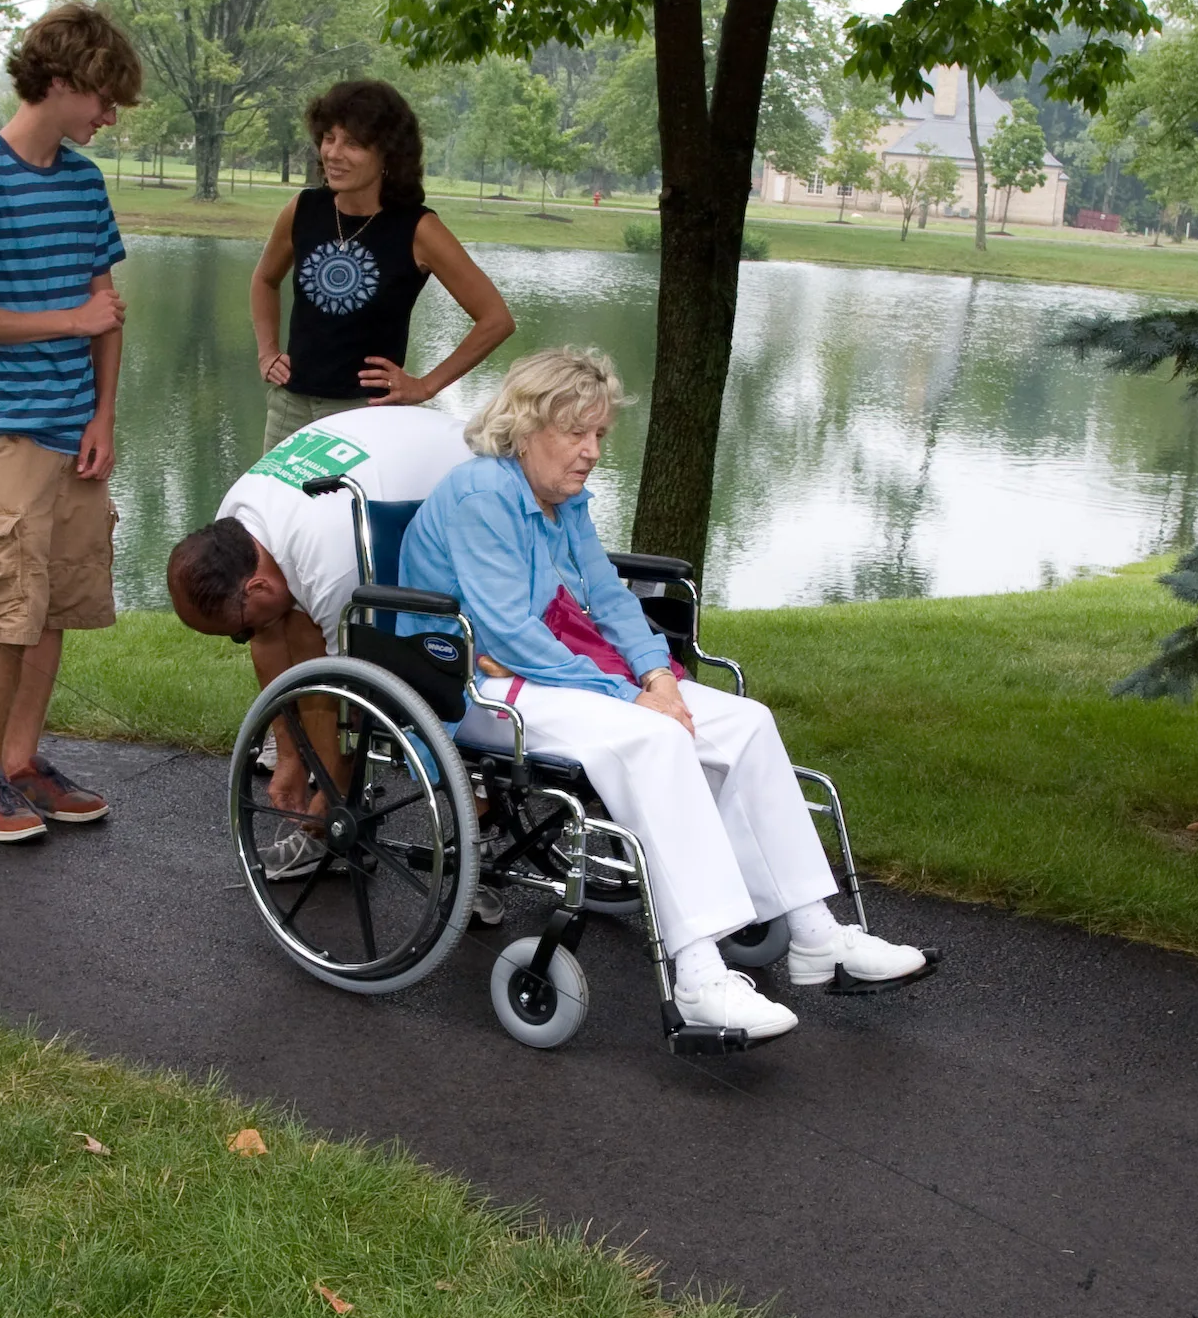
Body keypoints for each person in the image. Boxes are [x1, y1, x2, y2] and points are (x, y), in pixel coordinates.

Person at [396, 346, 933, 1043]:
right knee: (654, 736)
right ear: (527, 429)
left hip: (551, 673)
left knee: (744, 722)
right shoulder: (481, 497)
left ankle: (814, 932)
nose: (591, 452)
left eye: (600, 436)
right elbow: (510, 634)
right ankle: (700, 972)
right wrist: (628, 695)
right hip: (478, 685)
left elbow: (610, 602)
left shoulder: (561, 501)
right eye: (576, 434)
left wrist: (655, 675)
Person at [0, 2, 142, 845]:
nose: (108, 117)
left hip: (73, 429)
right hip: (5, 429)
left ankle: (21, 763)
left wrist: (104, 414)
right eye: (102, 98)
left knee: (53, 609)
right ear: (60, 82)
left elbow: (108, 309)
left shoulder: (83, 181)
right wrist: (68, 322)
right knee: (8, 610)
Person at [166, 403, 471, 860]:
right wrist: (289, 757)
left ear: (258, 586)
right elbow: (270, 638)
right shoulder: (238, 518)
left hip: (467, 475)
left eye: (239, 631)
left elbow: (351, 696)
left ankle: (350, 812)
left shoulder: (332, 567)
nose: (245, 639)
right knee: (291, 621)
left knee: (339, 656)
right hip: (393, 455)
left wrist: (332, 798)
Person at [250, 79, 514, 452]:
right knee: (272, 512)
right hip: (289, 405)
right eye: (329, 137)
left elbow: (496, 320)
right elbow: (264, 279)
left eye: (353, 143)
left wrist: (425, 385)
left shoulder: (418, 229)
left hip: (363, 414)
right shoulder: (303, 209)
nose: (334, 153)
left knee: (342, 513)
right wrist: (267, 352)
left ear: (388, 154)